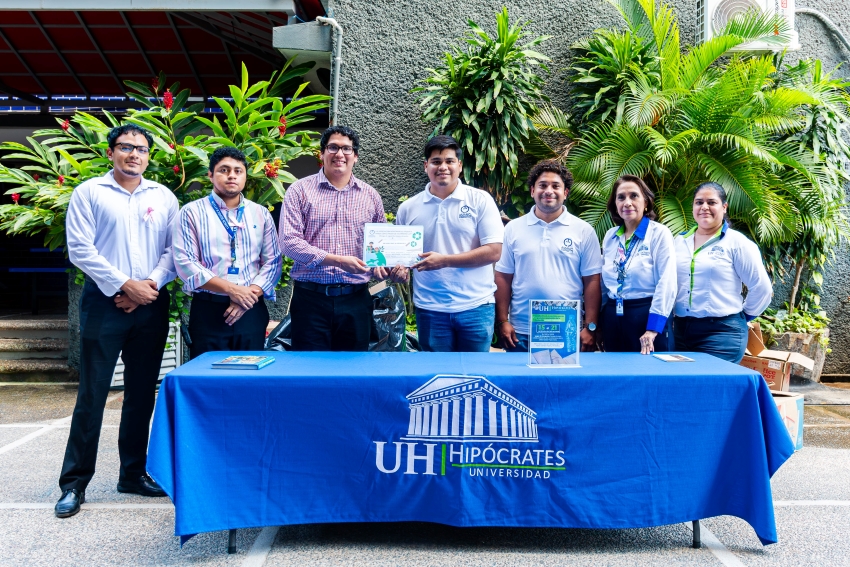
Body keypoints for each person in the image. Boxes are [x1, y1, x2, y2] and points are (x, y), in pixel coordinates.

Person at [56, 124, 179, 518]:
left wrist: (148, 286)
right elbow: (80, 249)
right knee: (92, 394)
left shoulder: (163, 196)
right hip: (104, 302)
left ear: (148, 156)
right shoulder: (90, 193)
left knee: (142, 391)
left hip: (151, 302)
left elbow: (173, 251)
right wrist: (123, 285)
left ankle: (132, 473)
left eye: (141, 149)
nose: (134, 155)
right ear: (110, 152)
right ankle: (73, 483)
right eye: (126, 147)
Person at [279, 125, 403, 351]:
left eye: (347, 149)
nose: (339, 154)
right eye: (333, 147)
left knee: (353, 371)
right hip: (310, 299)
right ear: (322, 153)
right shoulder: (299, 191)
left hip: (355, 300)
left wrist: (386, 268)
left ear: (355, 156)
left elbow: (377, 249)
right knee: (309, 370)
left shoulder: (370, 196)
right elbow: (289, 242)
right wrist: (336, 260)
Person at [395, 135, 504, 352]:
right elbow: (401, 256)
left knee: (476, 377)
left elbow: (494, 251)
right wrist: (398, 269)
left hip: (476, 306)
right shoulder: (408, 208)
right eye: (436, 161)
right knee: (436, 379)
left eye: (449, 161)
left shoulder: (480, 200)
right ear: (426, 166)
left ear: (460, 166)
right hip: (430, 308)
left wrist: (444, 261)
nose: (442, 167)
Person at [173, 147, 282, 358]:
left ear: (245, 176)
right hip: (208, 310)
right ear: (210, 175)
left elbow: (273, 262)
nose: (231, 175)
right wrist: (233, 290)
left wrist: (246, 297)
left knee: (251, 378)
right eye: (224, 170)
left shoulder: (260, 214)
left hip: (251, 310)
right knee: (207, 380)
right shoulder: (191, 213)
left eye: (238, 171)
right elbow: (186, 263)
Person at [494, 160, 602, 353]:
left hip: (568, 330)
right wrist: (502, 321)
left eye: (556, 186)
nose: (548, 191)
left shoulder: (583, 231)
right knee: (523, 384)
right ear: (532, 191)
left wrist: (590, 326)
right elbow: (503, 277)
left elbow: (592, 281)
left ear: (565, 193)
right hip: (521, 332)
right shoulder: (513, 229)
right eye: (542, 185)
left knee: (567, 384)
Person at [672, 182, 772, 363]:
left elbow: (762, 288)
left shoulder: (737, 243)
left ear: (724, 207)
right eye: (698, 202)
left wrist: (743, 316)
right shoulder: (678, 241)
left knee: (712, 387)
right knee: (685, 388)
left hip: (722, 334)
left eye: (711, 202)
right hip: (681, 332)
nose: (704, 207)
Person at [600, 176, 676, 354]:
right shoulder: (610, 236)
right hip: (614, 315)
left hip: (646, 314)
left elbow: (667, 282)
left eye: (634, 196)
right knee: (615, 374)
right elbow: (604, 285)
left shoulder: (659, 234)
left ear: (646, 202)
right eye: (621, 197)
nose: (627, 203)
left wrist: (653, 328)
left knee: (652, 376)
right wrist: (598, 323)